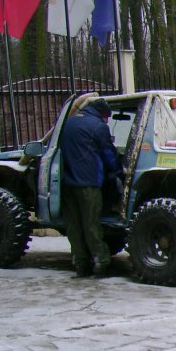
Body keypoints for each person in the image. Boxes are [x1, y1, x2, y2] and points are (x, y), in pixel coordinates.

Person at [61, 97, 122, 277]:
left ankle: (81, 264)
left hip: (67, 183)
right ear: (102, 114)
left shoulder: (69, 123)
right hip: (89, 183)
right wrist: (119, 172)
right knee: (91, 224)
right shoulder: (98, 127)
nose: (107, 121)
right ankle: (101, 262)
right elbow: (108, 154)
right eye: (107, 117)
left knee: (74, 225)